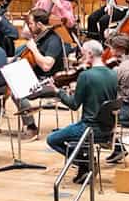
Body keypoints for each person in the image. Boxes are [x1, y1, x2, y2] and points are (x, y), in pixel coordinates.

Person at [45, 40, 119, 183]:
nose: (81, 57)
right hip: (108, 128)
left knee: (52, 139)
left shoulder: (86, 76)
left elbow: (73, 105)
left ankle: (86, 162)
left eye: (83, 54)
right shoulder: (113, 74)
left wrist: (57, 92)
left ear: (90, 54)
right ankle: (84, 167)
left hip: (89, 128)